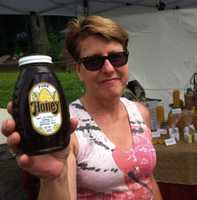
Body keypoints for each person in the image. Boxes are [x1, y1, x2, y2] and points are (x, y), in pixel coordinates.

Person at [1, 15, 162, 200]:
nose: (109, 68)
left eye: (117, 57)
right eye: (93, 61)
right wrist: (53, 179)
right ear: (78, 70)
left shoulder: (140, 112)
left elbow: (149, 179)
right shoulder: (68, 126)